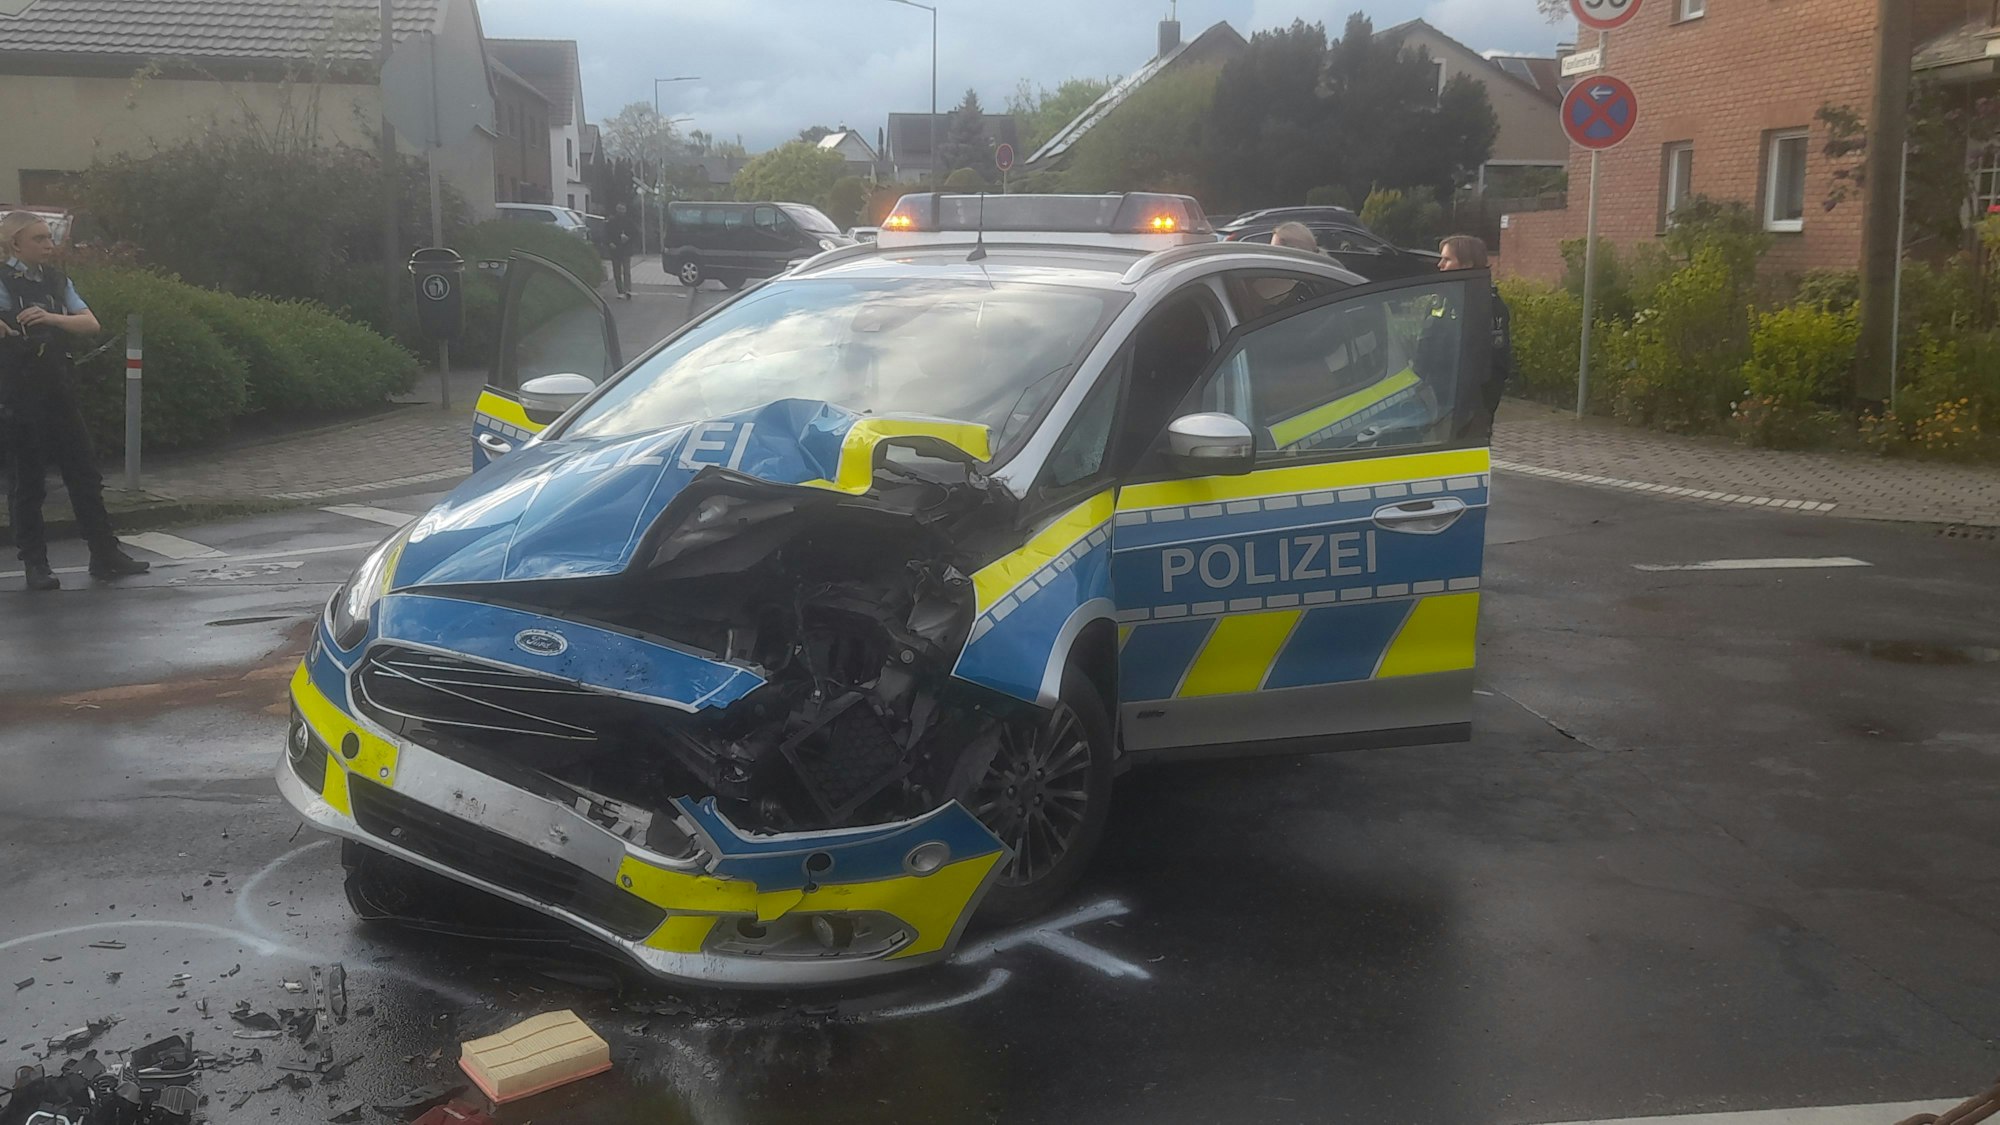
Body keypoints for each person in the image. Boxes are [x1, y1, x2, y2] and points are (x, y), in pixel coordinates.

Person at [0, 210, 149, 591]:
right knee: (28, 481)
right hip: (18, 393)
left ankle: (104, 554)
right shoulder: (2, 279)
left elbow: (90, 323)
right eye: (39, 239)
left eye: (49, 238)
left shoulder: (56, 280)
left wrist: (50, 318)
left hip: (59, 388)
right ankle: (35, 564)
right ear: (15, 244)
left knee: (84, 474)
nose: (49, 246)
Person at [1436, 233, 1514, 445]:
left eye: (1447, 259)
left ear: (1468, 264)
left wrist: (1479, 414)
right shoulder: (1442, 300)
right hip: (1437, 408)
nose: (1439, 264)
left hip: (1468, 414)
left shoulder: (1490, 307)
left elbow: (1496, 367)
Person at [607, 203, 639, 300]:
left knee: (626, 271)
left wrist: (628, 238)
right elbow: (606, 234)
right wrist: (610, 243)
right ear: (617, 209)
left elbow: (635, 233)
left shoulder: (629, 222)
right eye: (620, 209)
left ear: (625, 210)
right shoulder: (611, 221)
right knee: (617, 272)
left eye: (623, 209)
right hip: (615, 249)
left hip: (626, 250)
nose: (621, 211)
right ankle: (620, 291)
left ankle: (627, 290)